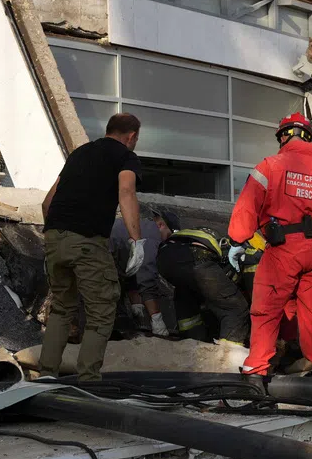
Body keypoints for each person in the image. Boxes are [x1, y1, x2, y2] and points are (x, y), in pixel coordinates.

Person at [229, 113, 312, 374]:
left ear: (283, 136)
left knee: (266, 308)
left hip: (284, 247)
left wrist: (238, 238)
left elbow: (248, 205)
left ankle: (257, 369)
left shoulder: (270, 166)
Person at [38, 113, 144, 381]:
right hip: (87, 241)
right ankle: (89, 382)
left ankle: (47, 375)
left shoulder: (79, 153)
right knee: (102, 310)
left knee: (62, 308)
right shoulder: (124, 156)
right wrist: (136, 240)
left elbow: (47, 202)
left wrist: (54, 236)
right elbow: (127, 192)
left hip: (54, 236)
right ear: (131, 136)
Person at [156, 221, 250, 345]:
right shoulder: (247, 250)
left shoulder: (215, 234)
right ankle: (227, 356)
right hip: (197, 256)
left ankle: (191, 346)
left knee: (187, 296)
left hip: (165, 256)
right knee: (235, 308)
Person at [111, 210, 168, 337]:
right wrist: (157, 319)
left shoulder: (140, 226)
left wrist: (137, 307)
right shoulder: (152, 235)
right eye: (168, 235)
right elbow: (146, 277)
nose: (166, 240)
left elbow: (132, 273)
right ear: (161, 225)